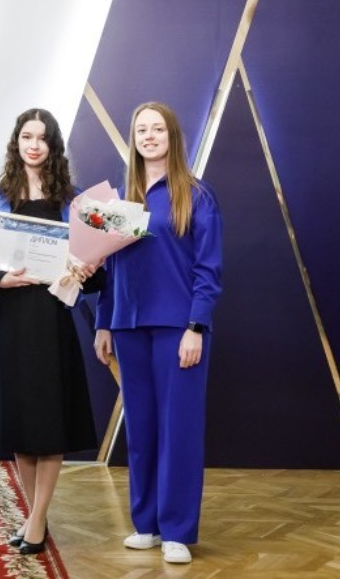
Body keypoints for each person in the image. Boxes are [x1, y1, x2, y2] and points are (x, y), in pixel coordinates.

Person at [94, 102, 222, 565]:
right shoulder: (120, 202)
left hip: (177, 327)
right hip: (128, 326)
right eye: (141, 130)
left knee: (179, 429)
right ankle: (146, 523)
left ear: (172, 137)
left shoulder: (197, 195)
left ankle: (177, 530)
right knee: (142, 427)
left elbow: (209, 269)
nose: (149, 136)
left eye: (157, 129)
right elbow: (109, 268)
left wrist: (196, 326)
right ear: (134, 139)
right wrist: (104, 321)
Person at [0, 108, 100, 555]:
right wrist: (2, 280)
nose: (34, 145)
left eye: (43, 138)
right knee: (21, 424)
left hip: (52, 321)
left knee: (49, 423)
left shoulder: (75, 203)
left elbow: (95, 277)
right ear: (16, 142)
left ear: (53, 146)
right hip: (10, 322)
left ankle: (38, 521)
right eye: (27, 136)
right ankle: (34, 517)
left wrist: (87, 268)